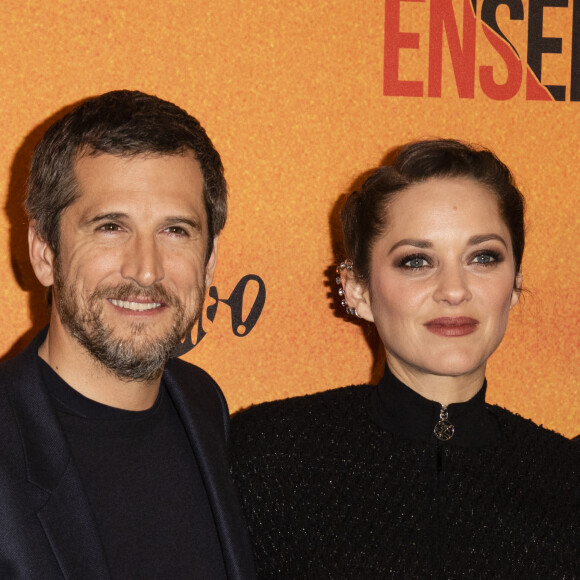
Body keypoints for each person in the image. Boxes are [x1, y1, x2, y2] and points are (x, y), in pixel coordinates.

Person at [230, 139, 579, 577]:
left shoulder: (564, 478)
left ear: (514, 284)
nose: (454, 289)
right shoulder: (270, 455)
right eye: (416, 261)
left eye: (483, 257)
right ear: (357, 289)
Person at [0, 90, 255, 579]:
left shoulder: (202, 405)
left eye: (175, 231)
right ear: (44, 252)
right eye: (111, 226)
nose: (145, 270)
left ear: (210, 260)